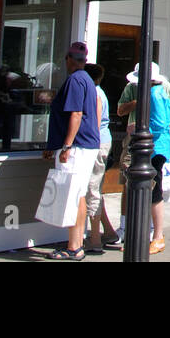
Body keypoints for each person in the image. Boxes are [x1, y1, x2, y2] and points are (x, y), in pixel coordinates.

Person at [116, 63, 170, 254]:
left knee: (152, 190)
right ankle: (139, 234)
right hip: (150, 145)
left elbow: (166, 119)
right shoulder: (156, 93)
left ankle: (157, 236)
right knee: (138, 187)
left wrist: (141, 128)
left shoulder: (155, 94)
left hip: (153, 147)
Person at [42, 41, 100, 260]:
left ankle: (74, 247)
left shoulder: (76, 80)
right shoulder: (87, 80)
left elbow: (76, 114)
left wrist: (66, 145)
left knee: (73, 195)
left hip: (77, 147)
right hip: (86, 146)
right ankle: (77, 243)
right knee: (79, 195)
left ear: (68, 59)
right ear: (84, 60)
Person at [83, 64, 118, 253]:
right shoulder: (100, 91)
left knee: (92, 189)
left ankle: (95, 239)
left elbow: (94, 122)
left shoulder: (95, 94)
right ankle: (109, 231)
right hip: (104, 141)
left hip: (96, 143)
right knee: (96, 188)